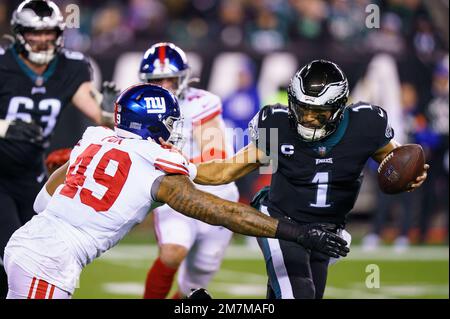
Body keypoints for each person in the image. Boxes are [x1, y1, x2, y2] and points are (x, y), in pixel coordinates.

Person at [3, 84, 349, 299]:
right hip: (50, 261)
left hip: (28, 243)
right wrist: (297, 232)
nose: (173, 131)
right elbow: (222, 212)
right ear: (152, 123)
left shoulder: (94, 139)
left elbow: (41, 201)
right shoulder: (157, 163)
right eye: (169, 123)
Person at [192, 60, 429, 299]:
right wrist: (185, 168)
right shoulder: (278, 125)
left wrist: (411, 173)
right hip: (281, 222)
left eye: (318, 113)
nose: (307, 119)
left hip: (326, 231)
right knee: (300, 293)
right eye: (302, 109)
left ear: (338, 108)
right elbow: (225, 171)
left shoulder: (365, 125)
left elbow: (396, 160)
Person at [0, 0, 115, 298]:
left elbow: (94, 111)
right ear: (19, 32)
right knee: (9, 251)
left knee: (36, 251)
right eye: (33, 32)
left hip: (31, 175)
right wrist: (6, 128)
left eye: (48, 32)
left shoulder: (71, 67)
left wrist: (110, 111)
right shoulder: (3, 64)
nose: (42, 39)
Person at [139, 42, 240, 299]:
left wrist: (175, 160)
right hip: (177, 195)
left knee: (193, 283)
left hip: (217, 194)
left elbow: (214, 154)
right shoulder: (139, 109)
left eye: (169, 78)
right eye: (156, 80)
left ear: (183, 77)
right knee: (173, 252)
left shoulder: (202, 102)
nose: (164, 86)